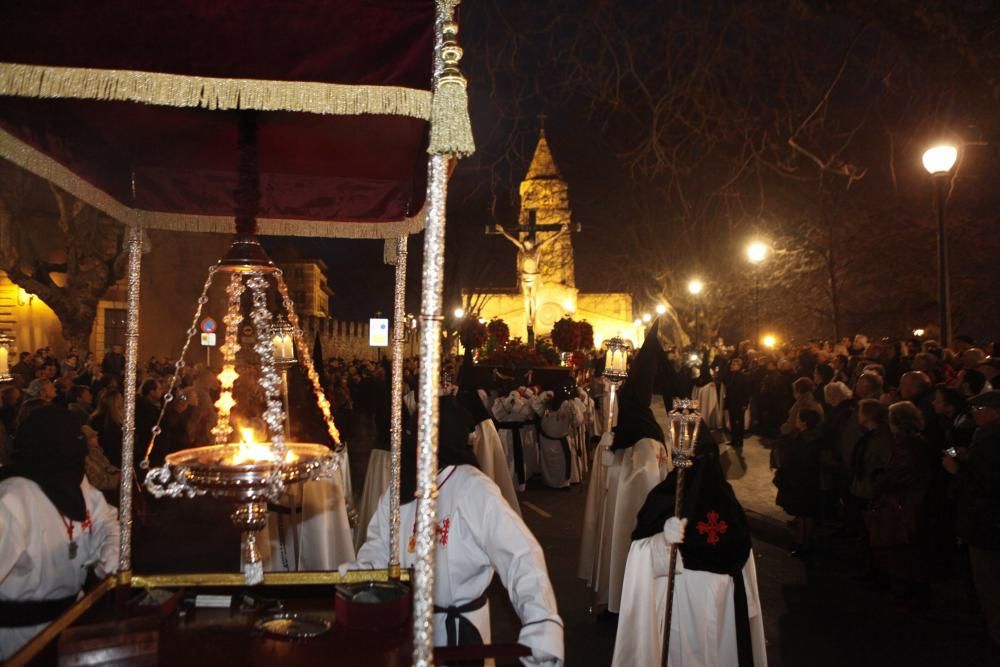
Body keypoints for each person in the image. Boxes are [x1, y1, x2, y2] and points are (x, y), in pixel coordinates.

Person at [348, 397, 564, 665]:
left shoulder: (473, 489)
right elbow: (377, 547)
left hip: (461, 637)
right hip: (406, 630)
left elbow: (521, 556)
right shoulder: (399, 491)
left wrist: (540, 621)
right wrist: (363, 582)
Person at [612, 430, 767, 666]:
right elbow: (640, 556)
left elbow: (744, 561)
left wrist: (746, 607)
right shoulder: (665, 499)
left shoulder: (727, 501)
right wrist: (662, 541)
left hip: (723, 610)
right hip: (680, 608)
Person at [0, 405, 120, 660]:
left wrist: (110, 555)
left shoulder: (74, 482)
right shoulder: (12, 500)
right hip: (22, 641)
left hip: (71, 626)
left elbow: (107, 521)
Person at [579, 318, 670, 614]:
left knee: (622, 545)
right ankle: (610, 593)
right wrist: (607, 452)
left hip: (635, 522)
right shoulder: (631, 432)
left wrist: (614, 468)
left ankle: (624, 598)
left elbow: (641, 483)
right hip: (624, 509)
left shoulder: (646, 441)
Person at [943, 390, 1000, 648]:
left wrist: (956, 470)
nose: (975, 415)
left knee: (989, 583)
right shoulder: (983, 437)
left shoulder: (991, 439)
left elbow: (985, 484)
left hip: (985, 520)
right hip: (985, 519)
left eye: (979, 411)